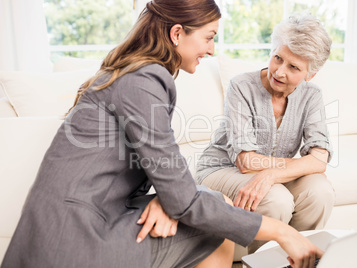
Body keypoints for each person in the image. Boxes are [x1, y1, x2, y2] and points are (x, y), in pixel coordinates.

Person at [1, 2, 323, 268]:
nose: (211, 50)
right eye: (209, 38)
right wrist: (283, 232)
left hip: (74, 226)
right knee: (216, 224)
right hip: (76, 240)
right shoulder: (144, 79)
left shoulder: (135, 72)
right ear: (177, 33)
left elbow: (164, 172)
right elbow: (182, 191)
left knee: (212, 206)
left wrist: (167, 200)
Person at [196, 13, 336, 253]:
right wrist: (300, 166)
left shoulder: (312, 95)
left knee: (320, 192)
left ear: (309, 75)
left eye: (293, 67)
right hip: (220, 169)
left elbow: (320, 159)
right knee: (275, 199)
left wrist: (271, 174)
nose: (280, 72)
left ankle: (297, 258)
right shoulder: (241, 86)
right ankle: (259, 262)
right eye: (278, 58)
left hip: (269, 174)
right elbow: (246, 161)